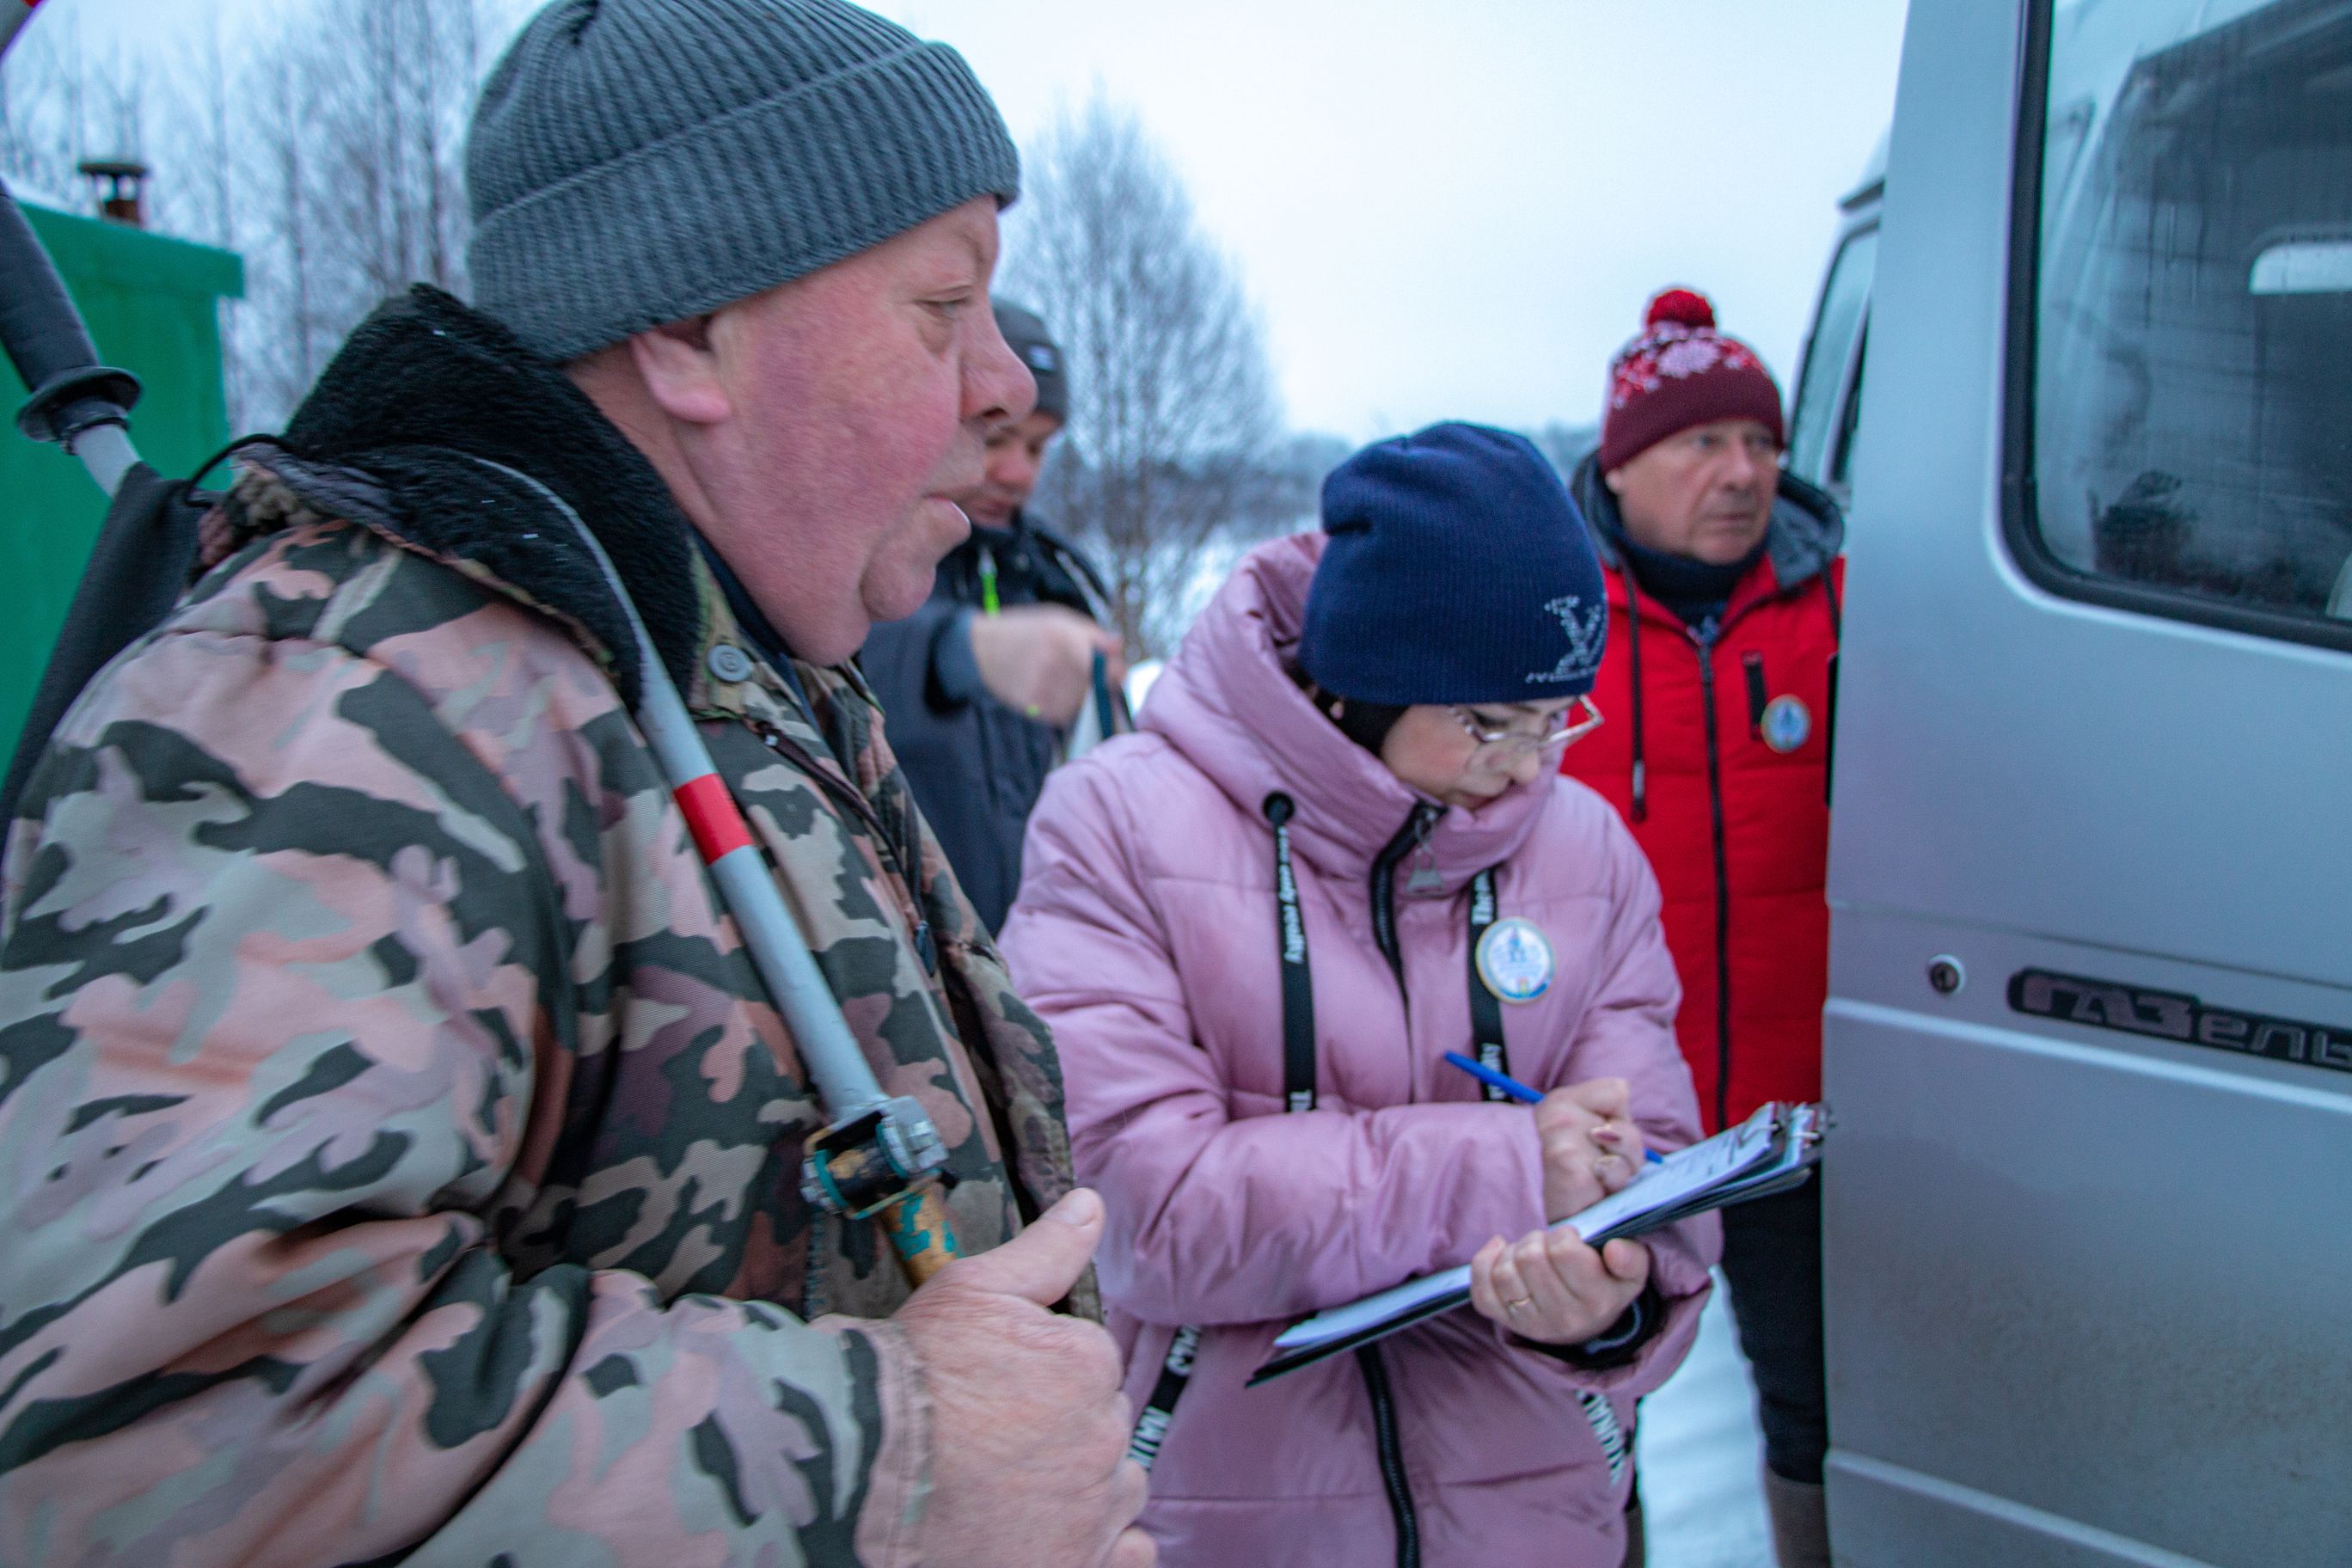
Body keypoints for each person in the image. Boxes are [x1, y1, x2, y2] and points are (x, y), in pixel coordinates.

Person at [0, 3, 1152, 1564]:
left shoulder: (723, 664)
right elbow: (150, 1442)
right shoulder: (354, 701)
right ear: (688, 333)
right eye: (944, 306)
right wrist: (897, 1459)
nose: (1001, 382)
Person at [1000, 423, 1718, 1567]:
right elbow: (1139, 1210)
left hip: (1534, 1519)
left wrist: (1608, 1307)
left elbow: (1665, 1180)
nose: (1528, 765)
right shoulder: (1119, 827)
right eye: (1489, 722)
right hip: (1221, 1516)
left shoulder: (1584, 853)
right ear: (1361, 687)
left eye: (1557, 718)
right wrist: (1509, 1172)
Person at [1558, 288, 1845, 1568]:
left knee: (1818, 1409)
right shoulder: (1550, 620)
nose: (1743, 473)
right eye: (1704, 443)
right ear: (1622, 465)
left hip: (1800, 1120)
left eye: (1762, 443)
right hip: (1606, 1123)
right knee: (1582, 1417)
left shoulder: (1848, 612)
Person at [862, 300, 1124, 934]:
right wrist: (963, 652)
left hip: (1039, 954)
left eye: (1037, 448)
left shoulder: (1055, 577)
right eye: (998, 439)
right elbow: (851, 661)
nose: (1017, 473)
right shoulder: (864, 552)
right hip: (913, 952)